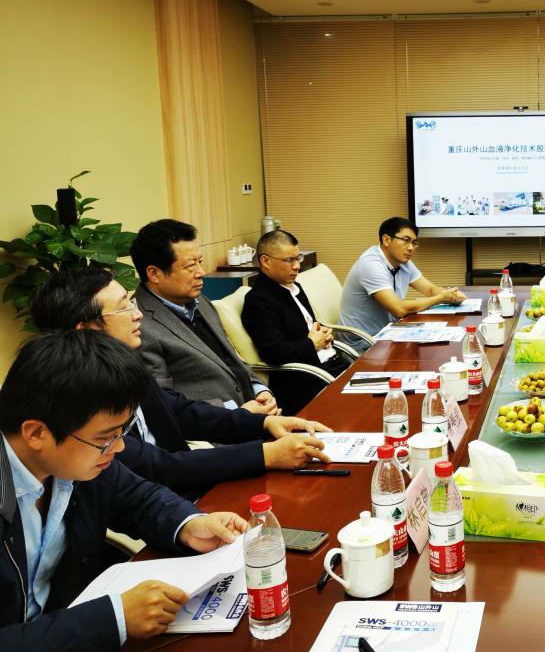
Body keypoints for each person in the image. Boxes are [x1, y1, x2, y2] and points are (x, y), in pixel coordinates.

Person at [0, 330, 247, 649]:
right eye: (106, 438)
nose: (118, 448)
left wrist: (191, 525)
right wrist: (112, 618)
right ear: (36, 433)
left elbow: (137, 498)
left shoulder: (74, 462)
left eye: (121, 433)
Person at [30, 267, 331, 500]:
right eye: (124, 308)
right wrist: (266, 454)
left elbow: (179, 411)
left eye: (132, 302)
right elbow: (157, 466)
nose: (138, 315)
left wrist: (263, 425)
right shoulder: (76, 395)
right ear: (86, 329)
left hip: (180, 492)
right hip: (158, 502)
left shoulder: (123, 362)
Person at [130, 219, 280, 414]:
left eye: (199, 262)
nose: (201, 272)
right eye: (190, 266)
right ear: (154, 274)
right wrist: (236, 412)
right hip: (217, 427)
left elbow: (231, 360)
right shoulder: (137, 325)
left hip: (254, 411)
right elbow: (162, 403)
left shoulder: (200, 302)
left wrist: (260, 389)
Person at [241, 230, 351, 413]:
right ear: (266, 261)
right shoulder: (259, 300)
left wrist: (323, 334)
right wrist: (312, 343)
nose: (297, 266)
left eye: (298, 258)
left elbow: (305, 326)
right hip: (308, 379)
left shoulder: (293, 287)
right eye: (289, 260)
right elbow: (274, 353)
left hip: (332, 364)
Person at [340, 217, 466, 349]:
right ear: (386, 240)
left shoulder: (403, 262)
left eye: (414, 243)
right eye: (406, 241)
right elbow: (399, 309)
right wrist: (440, 298)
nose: (411, 248)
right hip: (363, 343)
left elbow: (429, 289)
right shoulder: (371, 265)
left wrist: (451, 295)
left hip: (389, 333)